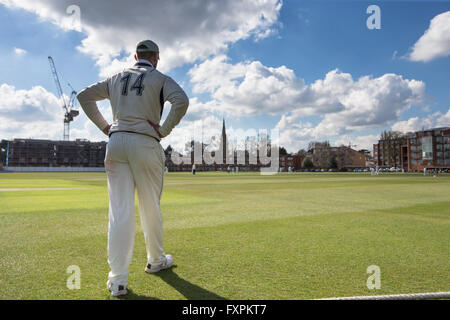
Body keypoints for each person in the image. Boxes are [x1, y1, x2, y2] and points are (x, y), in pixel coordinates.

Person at [77, 39, 189, 297]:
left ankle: (117, 280)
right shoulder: (160, 78)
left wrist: (105, 127)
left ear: (135, 55)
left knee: (119, 211)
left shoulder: (116, 78)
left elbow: (84, 97)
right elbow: (181, 101)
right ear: (156, 57)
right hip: (146, 143)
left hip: (116, 143)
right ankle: (156, 260)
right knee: (150, 205)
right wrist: (164, 129)